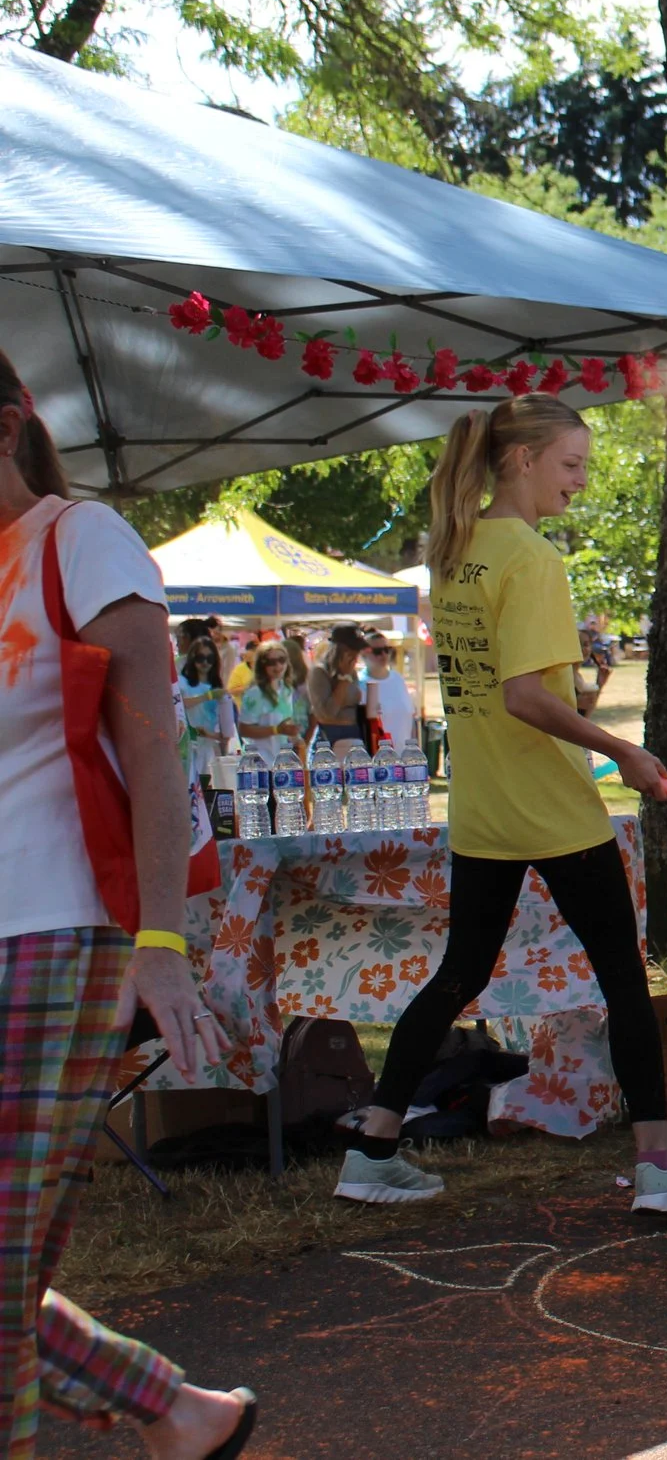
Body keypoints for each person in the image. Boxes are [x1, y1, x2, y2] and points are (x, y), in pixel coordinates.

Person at [337, 394, 667, 1217]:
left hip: (484, 808)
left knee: (459, 975)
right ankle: (658, 1167)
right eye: (571, 464)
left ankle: (372, 1146)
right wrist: (623, 748)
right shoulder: (532, 559)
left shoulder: (455, 548)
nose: (579, 482)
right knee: (625, 979)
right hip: (551, 808)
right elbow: (522, 696)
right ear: (521, 460)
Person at [0, 350, 260, 1459]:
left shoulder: (79, 537)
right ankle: (177, 1409)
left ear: (9, 419)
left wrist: (163, 939)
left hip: (59, 929)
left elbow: (158, 749)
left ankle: (172, 1408)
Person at [175, 640, 233, 784]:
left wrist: (217, 738)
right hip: (188, 748)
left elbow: (225, 728)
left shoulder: (216, 687)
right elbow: (181, 703)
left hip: (210, 749)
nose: (205, 663)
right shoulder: (182, 683)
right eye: (200, 658)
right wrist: (207, 697)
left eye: (210, 658)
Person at [234, 641, 302, 758]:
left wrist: (296, 737)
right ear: (262, 665)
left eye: (282, 660)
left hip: (282, 762)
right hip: (260, 762)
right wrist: (276, 730)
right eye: (271, 662)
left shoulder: (287, 690)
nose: (278, 666)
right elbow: (244, 730)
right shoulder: (255, 693)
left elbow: (285, 723)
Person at [303, 625, 365, 751]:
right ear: (337, 648)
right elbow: (327, 713)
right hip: (330, 738)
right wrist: (344, 678)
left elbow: (355, 702)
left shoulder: (352, 671)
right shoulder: (319, 672)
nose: (355, 654)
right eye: (351, 649)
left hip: (354, 735)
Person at [359, 634, 416, 750]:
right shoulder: (359, 684)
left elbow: (410, 717)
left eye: (387, 649)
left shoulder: (398, 679)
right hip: (378, 759)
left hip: (405, 757)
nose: (384, 655)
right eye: (377, 651)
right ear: (363, 653)